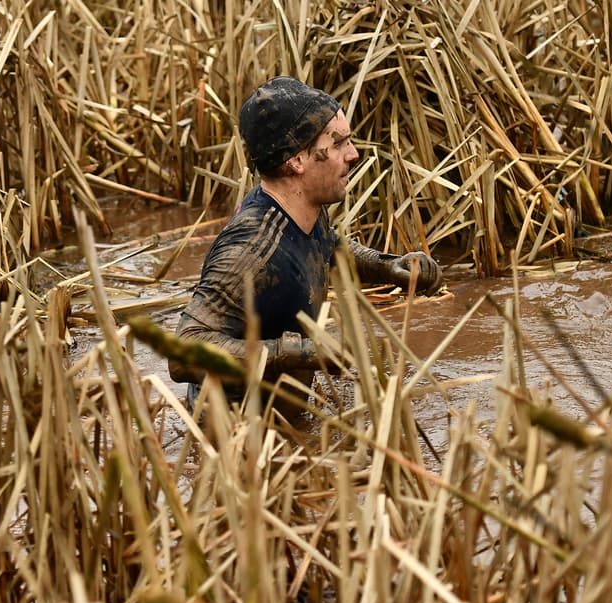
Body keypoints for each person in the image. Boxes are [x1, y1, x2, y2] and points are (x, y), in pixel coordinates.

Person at [170, 76, 444, 404]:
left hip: (287, 427)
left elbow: (326, 245)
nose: (354, 155)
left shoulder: (305, 208)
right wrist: (296, 353)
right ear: (297, 161)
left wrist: (388, 266)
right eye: (339, 144)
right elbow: (184, 352)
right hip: (237, 437)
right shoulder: (250, 250)